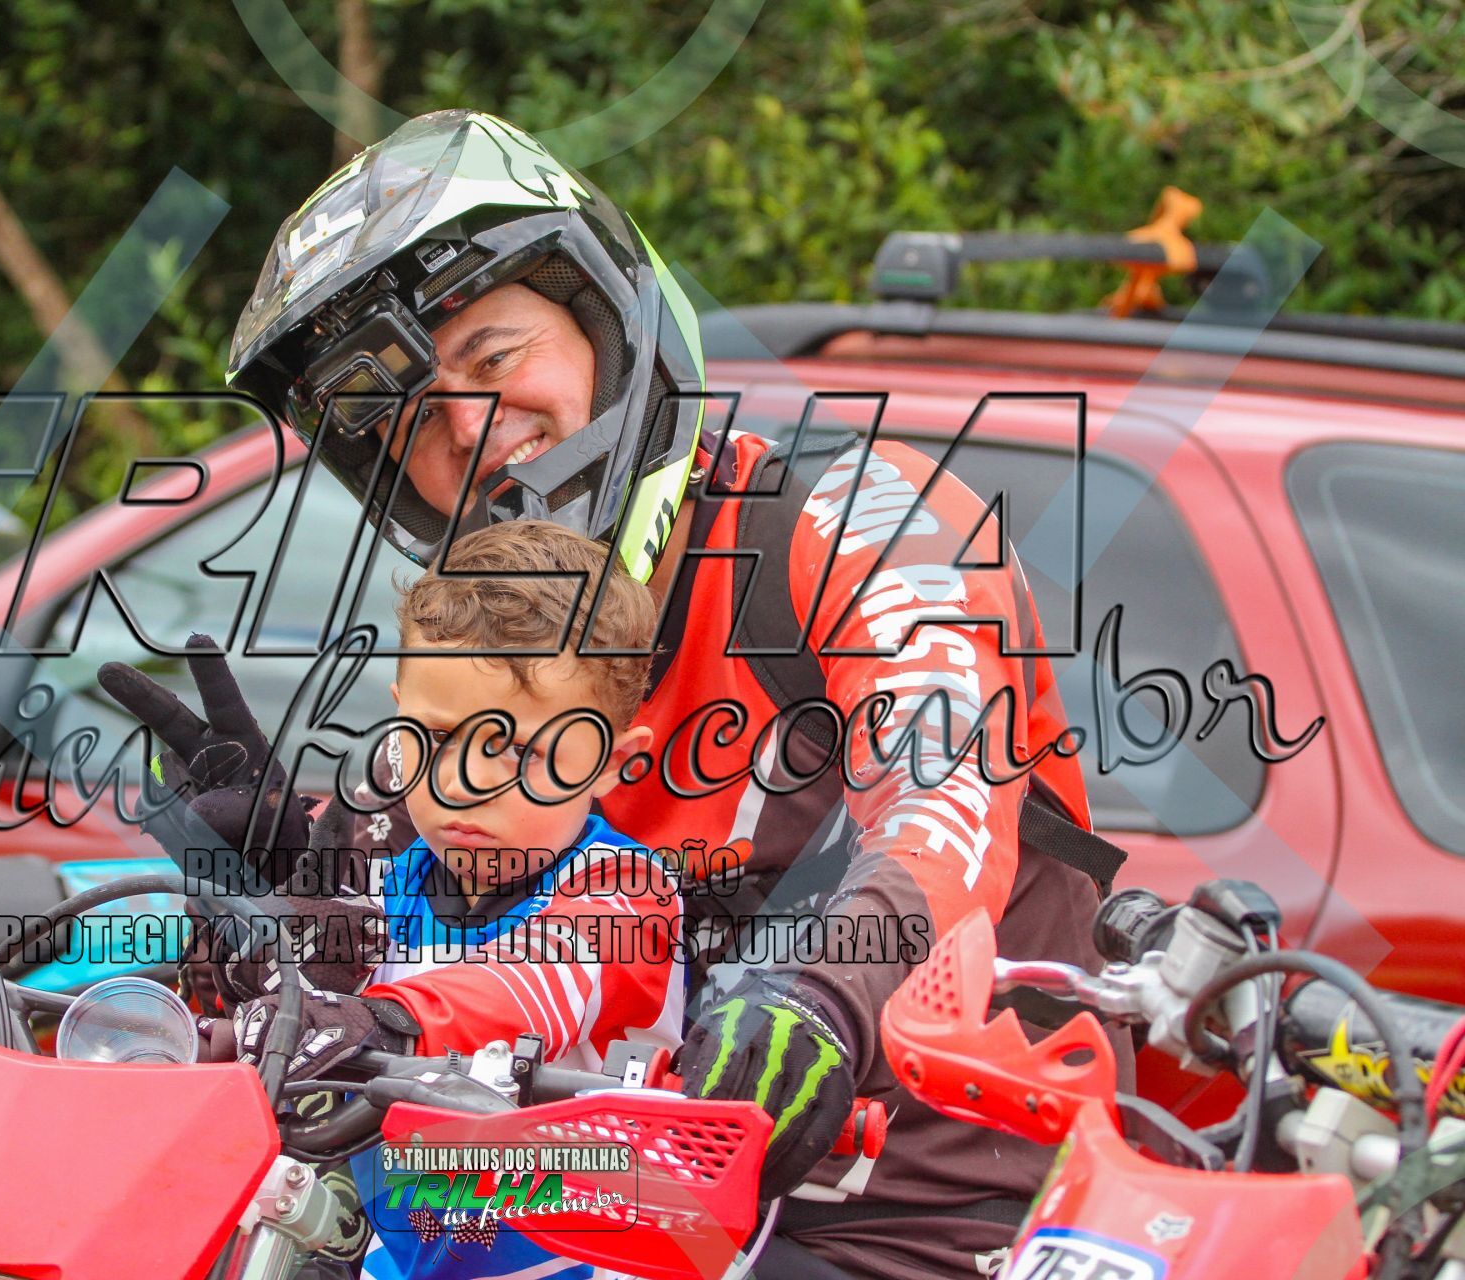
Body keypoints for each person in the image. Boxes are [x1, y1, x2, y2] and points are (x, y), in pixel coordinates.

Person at [113, 109, 1133, 1279]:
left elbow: (944, 798)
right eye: (413, 415)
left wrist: (822, 993)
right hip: (609, 1210)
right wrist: (286, 874)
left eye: (493, 358)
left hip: (923, 1219)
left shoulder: (847, 517)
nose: (467, 426)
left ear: (608, 320)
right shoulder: (484, 643)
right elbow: (394, 951)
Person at [221, 519, 679, 1280]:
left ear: (611, 764)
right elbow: (275, 1002)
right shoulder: (377, 875)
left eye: (521, 750)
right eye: (435, 738)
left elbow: (538, 980)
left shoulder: (626, 889)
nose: (467, 782)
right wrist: (242, 934)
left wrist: (389, 1022)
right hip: (399, 1252)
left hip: (597, 1256)